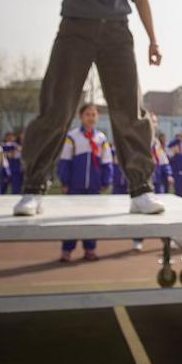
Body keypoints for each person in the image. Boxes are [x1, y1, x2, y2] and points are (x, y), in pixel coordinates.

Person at [15, 0, 164, 217]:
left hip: (116, 33)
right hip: (76, 29)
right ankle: (33, 188)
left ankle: (141, 188)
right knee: (56, 108)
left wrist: (153, 39)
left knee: (130, 111)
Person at [57, 104, 113, 262]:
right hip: (75, 185)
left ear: (98, 117)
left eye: (94, 114)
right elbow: (65, 161)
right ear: (80, 117)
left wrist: (106, 181)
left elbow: (107, 162)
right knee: (71, 219)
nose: (91, 117)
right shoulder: (72, 137)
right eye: (87, 114)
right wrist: (65, 181)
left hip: (94, 187)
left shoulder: (101, 138)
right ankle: (67, 250)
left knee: (92, 219)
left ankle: (90, 249)